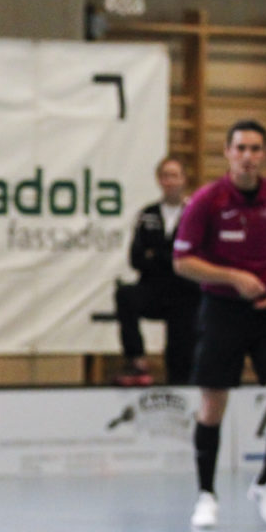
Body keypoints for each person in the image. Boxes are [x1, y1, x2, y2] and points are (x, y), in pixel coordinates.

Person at [173, 120, 266, 529]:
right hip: (222, 311)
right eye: (240, 148)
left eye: (255, 148)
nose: (248, 156)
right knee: (212, 407)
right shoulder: (207, 200)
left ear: (265, 155)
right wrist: (232, 277)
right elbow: (182, 262)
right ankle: (206, 495)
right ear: (228, 153)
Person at [114, 156, 199, 386]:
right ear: (159, 180)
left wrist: (158, 254)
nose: (170, 181)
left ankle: (181, 385)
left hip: (185, 292)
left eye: (175, 176)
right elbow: (136, 258)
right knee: (125, 295)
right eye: (165, 176)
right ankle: (136, 359)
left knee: (180, 356)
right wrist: (170, 256)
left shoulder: (195, 213)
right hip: (153, 287)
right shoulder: (148, 214)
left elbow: (194, 257)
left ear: (184, 180)